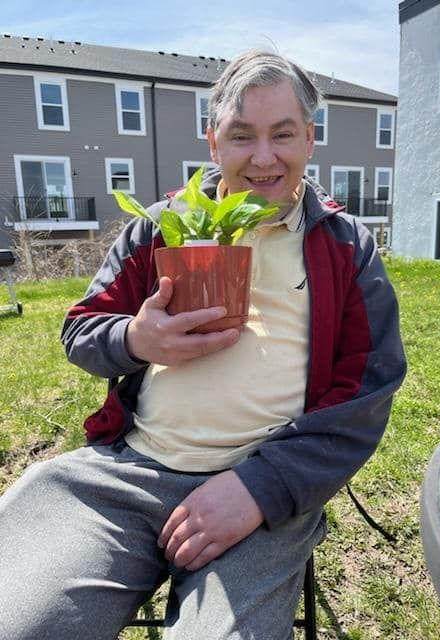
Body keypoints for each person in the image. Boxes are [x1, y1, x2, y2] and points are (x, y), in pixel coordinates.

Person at [0, 49, 406, 640]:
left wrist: (259, 489)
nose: (263, 158)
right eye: (242, 136)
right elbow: (81, 330)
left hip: (259, 494)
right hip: (129, 474)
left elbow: (367, 390)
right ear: (213, 142)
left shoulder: (345, 247)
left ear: (310, 140)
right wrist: (137, 339)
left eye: (282, 135)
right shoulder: (163, 226)